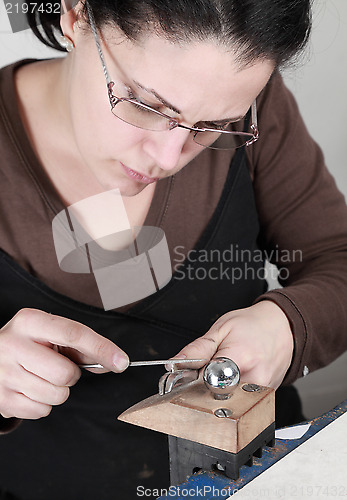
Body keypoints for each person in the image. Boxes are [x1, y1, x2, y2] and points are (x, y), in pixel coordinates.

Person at [0, 0, 346, 498]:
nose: (167, 158)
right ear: (77, 16)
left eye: (214, 127)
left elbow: (336, 258)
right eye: (147, 104)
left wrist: (289, 328)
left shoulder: (258, 109)